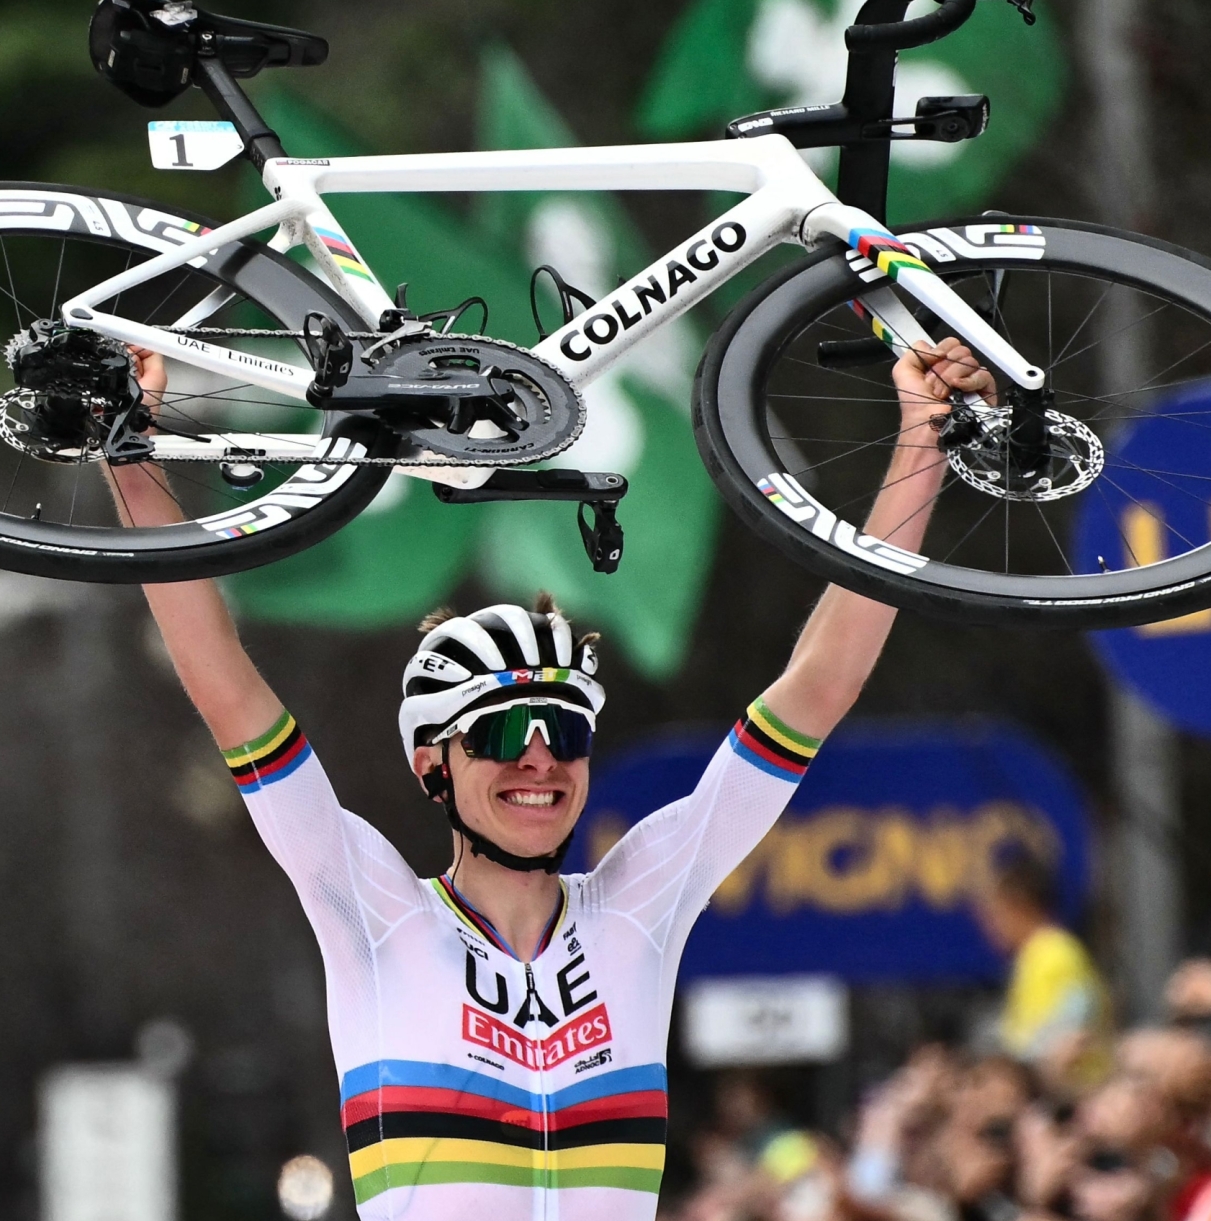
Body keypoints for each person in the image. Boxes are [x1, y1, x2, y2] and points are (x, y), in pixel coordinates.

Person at [111, 336, 992, 1219]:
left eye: (564, 730)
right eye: (498, 732)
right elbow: (225, 685)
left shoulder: (643, 900)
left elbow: (821, 685)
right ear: (433, 766)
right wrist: (132, 457)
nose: (538, 758)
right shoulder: (376, 909)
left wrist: (923, 439)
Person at [975, 846, 1113, 1092]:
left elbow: (1063, 1031)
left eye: (994, 913)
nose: (989, 927)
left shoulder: (1056, 952)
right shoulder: (1034, 956)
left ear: (1019, 906)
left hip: (1076, 1099)